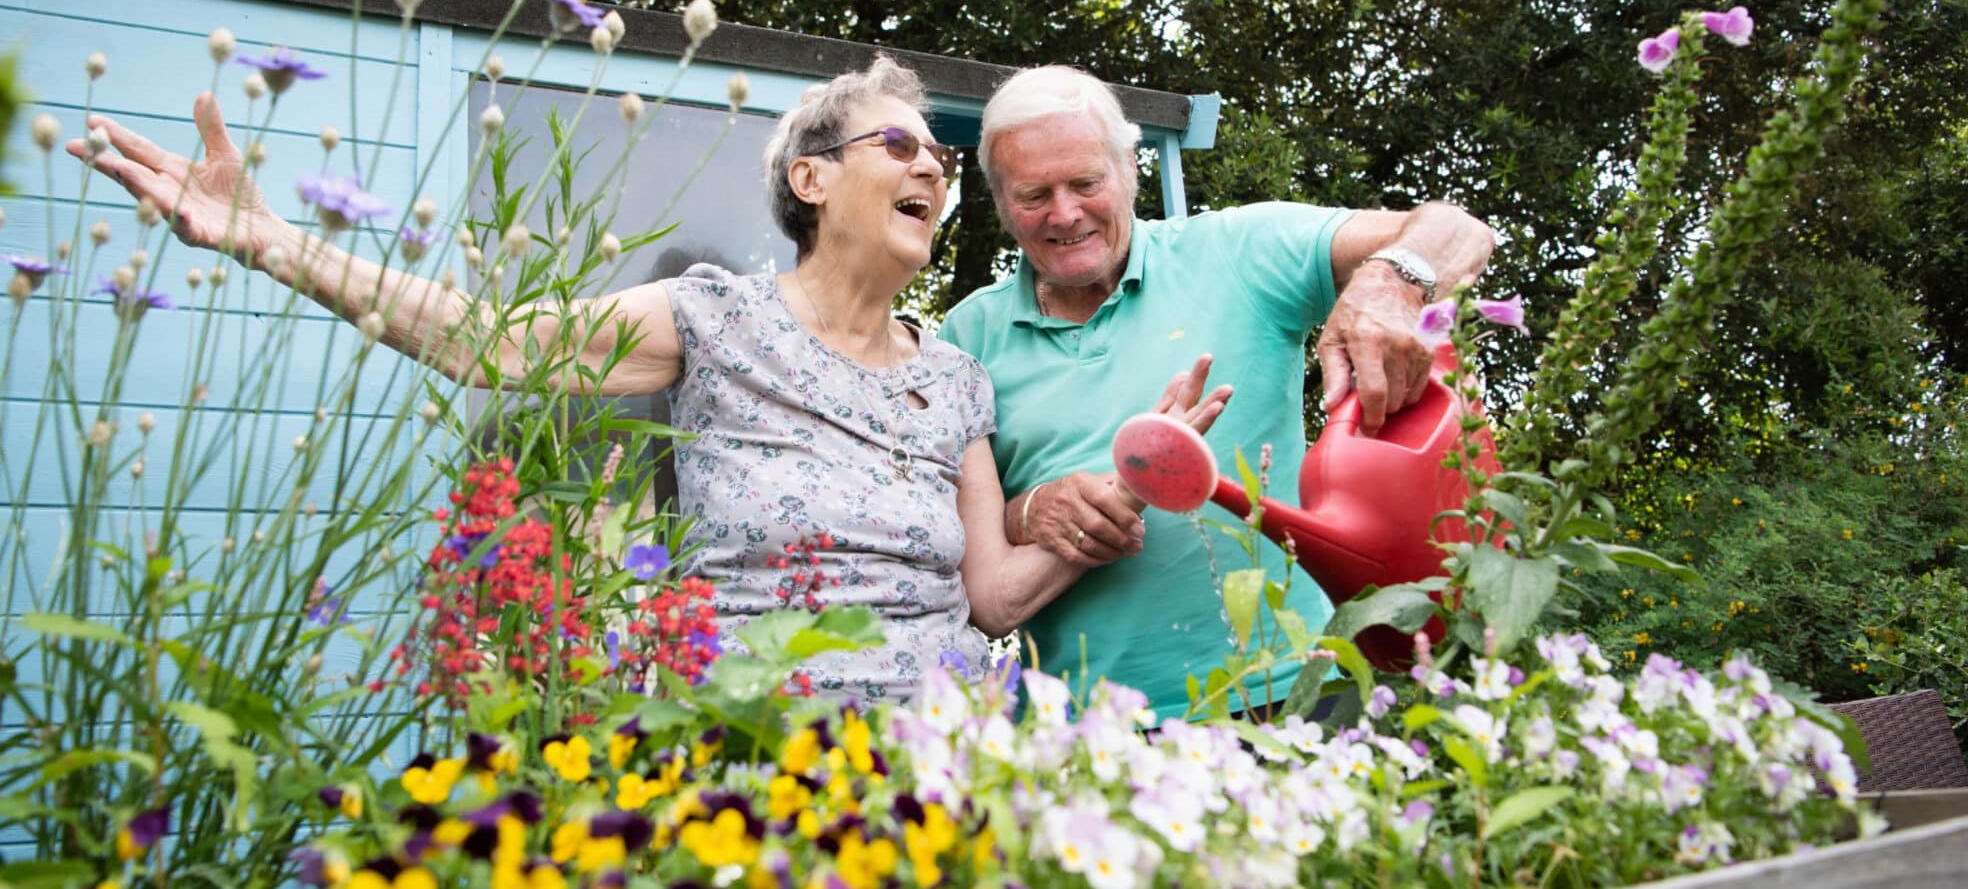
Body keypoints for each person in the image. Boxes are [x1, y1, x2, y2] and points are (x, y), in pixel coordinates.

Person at [70, 56, 1225, 706]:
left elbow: (994, 598)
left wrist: (1123, 492)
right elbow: (491, 341)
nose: (929, 162)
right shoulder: (713, 317)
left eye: (936, 157)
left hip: (951, 767)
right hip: (761, 758)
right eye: (899, 145)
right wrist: (268, 236)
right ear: (812, 181)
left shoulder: (959, 380)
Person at [938, 65, 1495, 720]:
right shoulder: (965, 334)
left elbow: (1460, 230)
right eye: (1034, 194)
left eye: (1086, 182)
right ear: (1000, 203)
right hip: (1086, 728)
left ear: (1129, 169)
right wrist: (1032, 509)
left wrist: (1391, 285)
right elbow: (968, 531)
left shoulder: (1240, 249)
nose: (1065, 213)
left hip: (1293, 693)